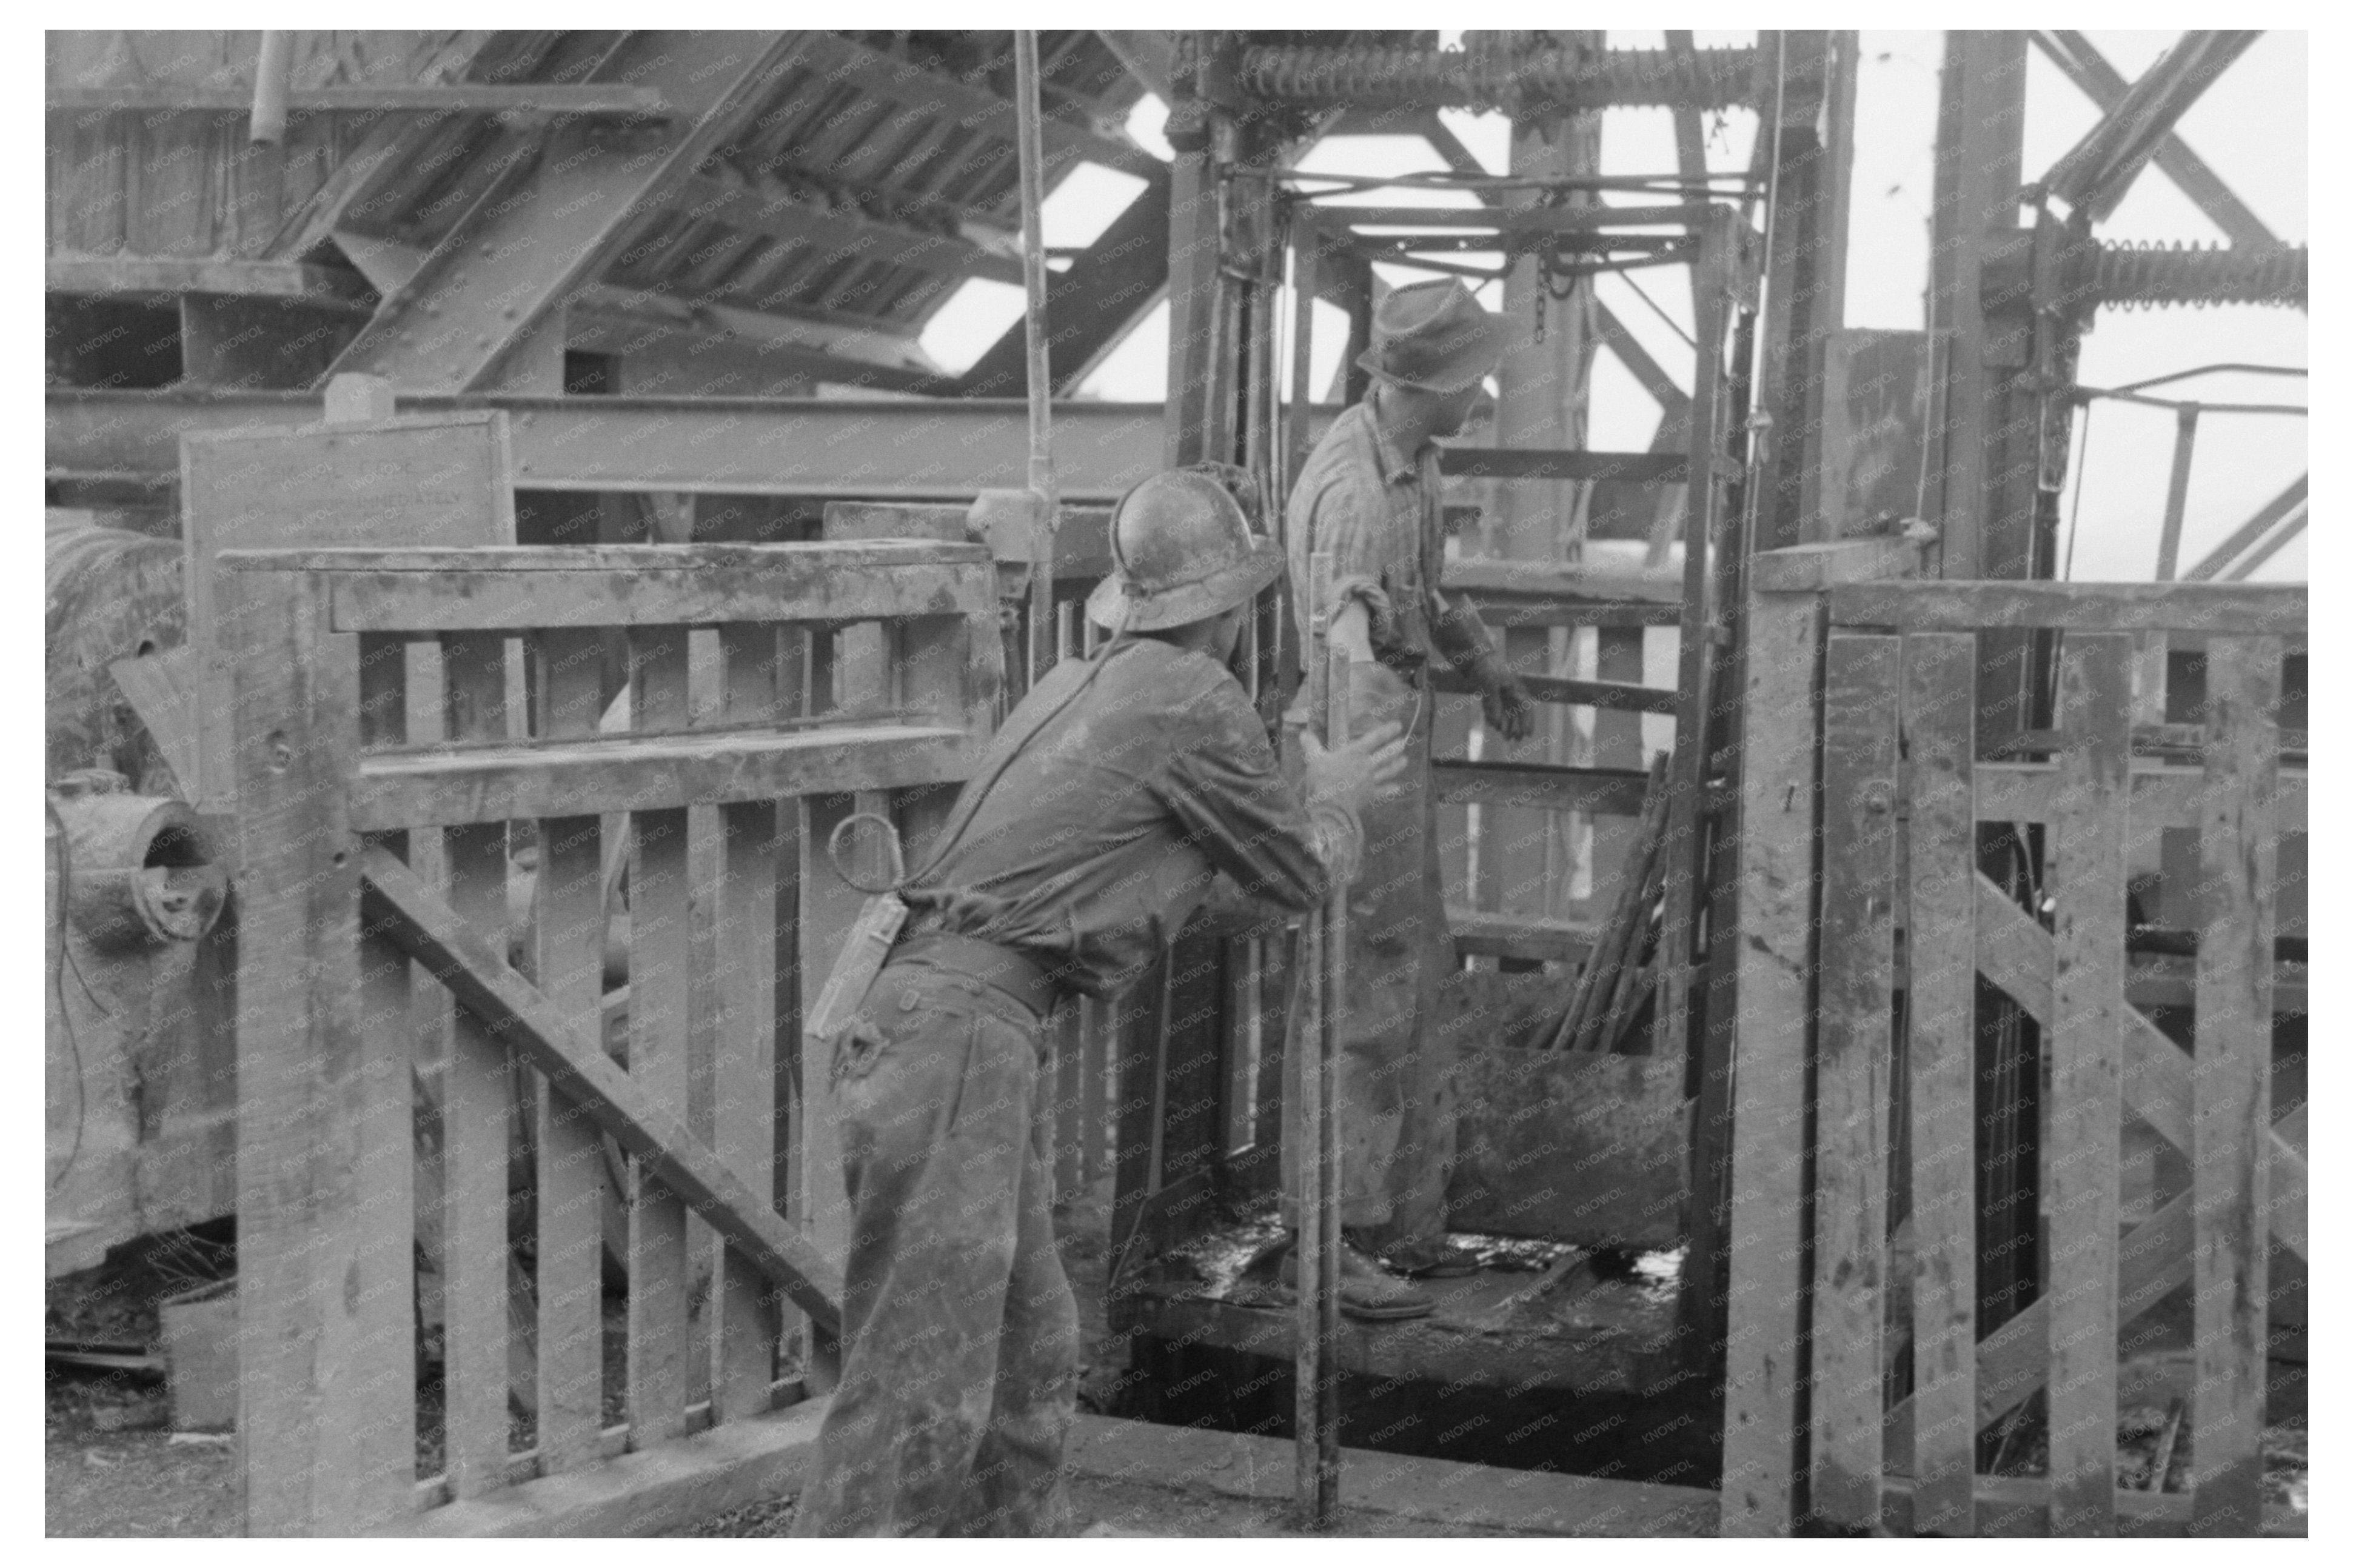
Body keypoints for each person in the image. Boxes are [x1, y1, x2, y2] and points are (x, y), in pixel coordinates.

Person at [791, 466, 1408, 1537]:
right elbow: (1298, 881)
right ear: (1236, 605)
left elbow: (1161, 895)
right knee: (919, 1380)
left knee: (1029, 1347)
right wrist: (1338, 803)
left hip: (937, 1022)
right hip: (959, 1039)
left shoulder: (1084, 684)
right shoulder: (1193, 698)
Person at [1275, 276, 1533, 1321]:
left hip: (1395, 736)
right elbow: (1343, 650)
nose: (1482, 398)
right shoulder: (1347, 493)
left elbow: (1421, 597)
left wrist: (1486, 667)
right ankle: (1321, 1243)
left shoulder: (1413, 465)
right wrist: (1345, 792)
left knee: (1414, 978)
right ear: (1424, 386)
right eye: (1472, 382)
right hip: (1356, 744)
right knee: (1355, 996)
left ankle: (1398, 1223)